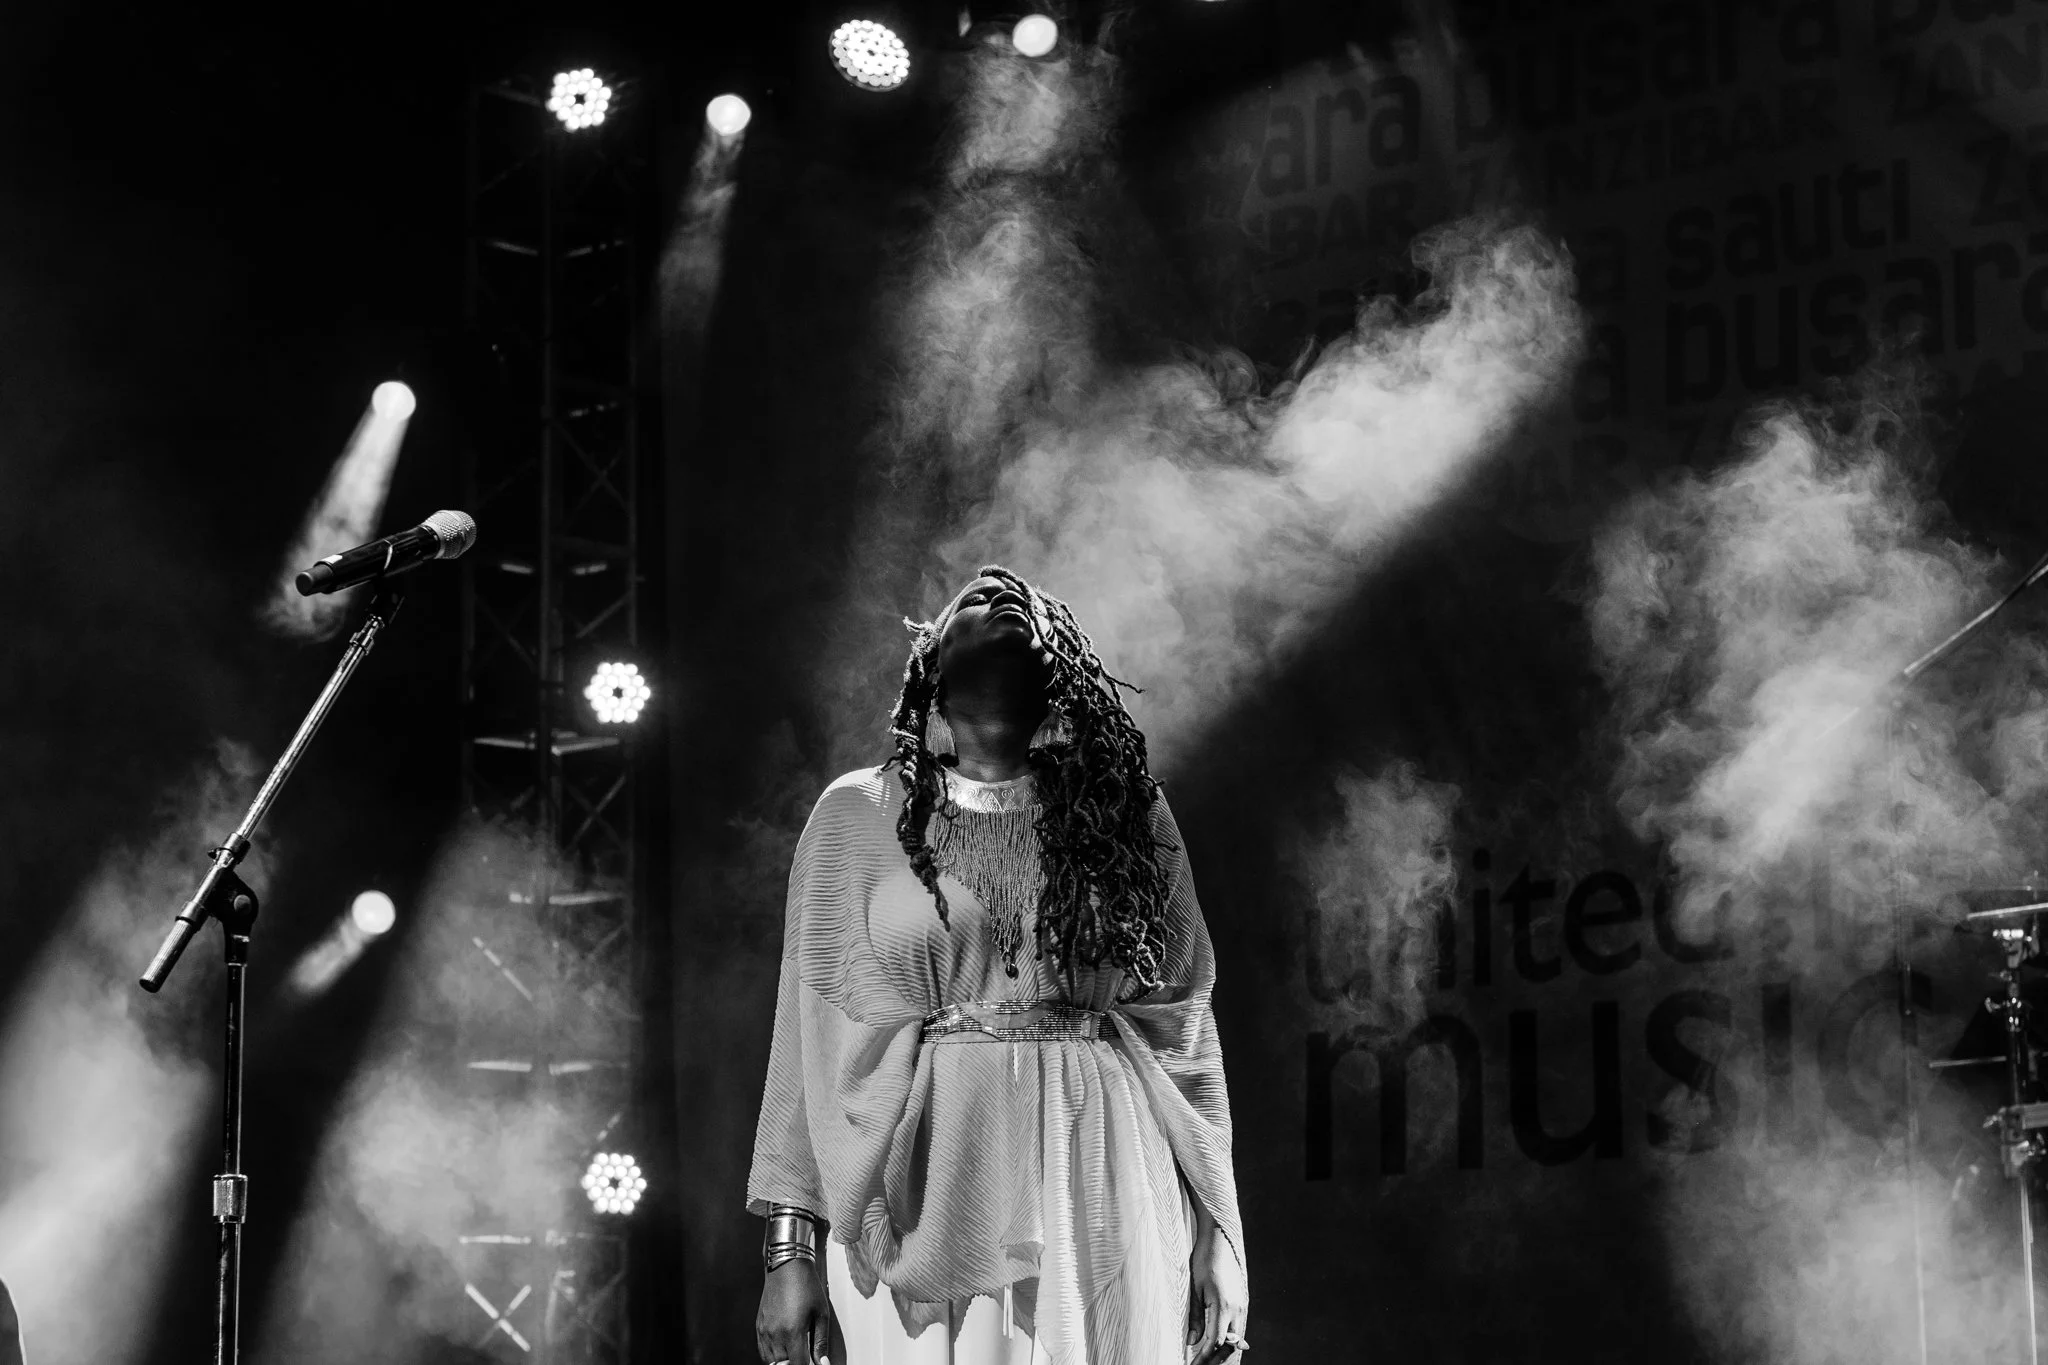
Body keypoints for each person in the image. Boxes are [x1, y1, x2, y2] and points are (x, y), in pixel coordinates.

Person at [748, 567, 1248, 1365]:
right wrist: (788, 1249)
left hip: (1100, 1159)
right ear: (930, 676)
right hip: (924, 1181)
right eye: (969, 597)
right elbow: (803, 1052)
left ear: (1062, 680)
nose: (995, 585)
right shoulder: (859, 812)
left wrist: (1222, 1235)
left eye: (1020, 599)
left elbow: (1182, 1032)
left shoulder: (1127, 811)